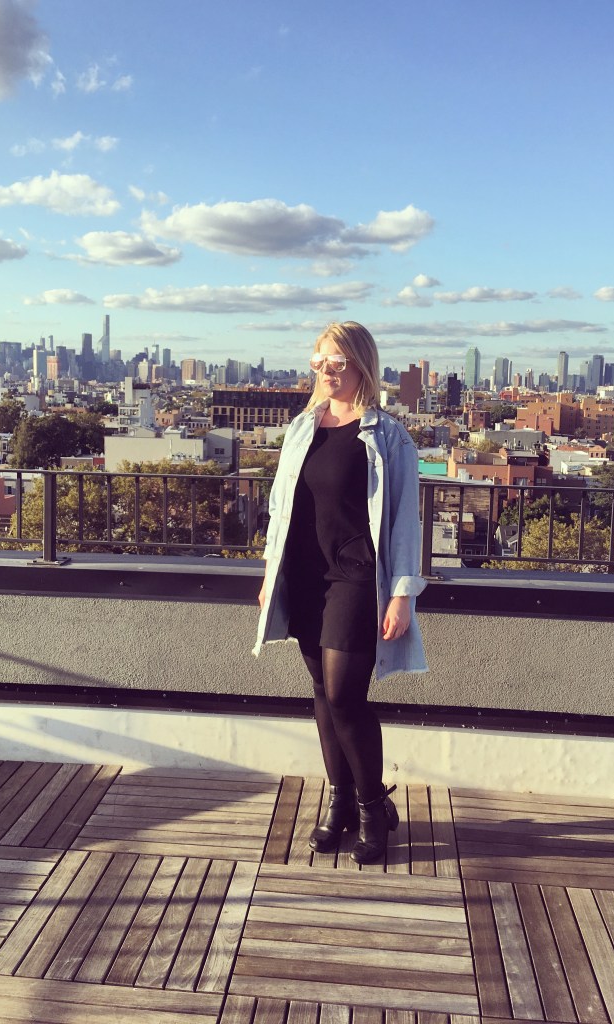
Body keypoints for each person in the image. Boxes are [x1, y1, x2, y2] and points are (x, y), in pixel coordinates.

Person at [253, 321, 427, 864]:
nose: (326, 372)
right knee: (321, 694)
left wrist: (402, 594)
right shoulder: (302, 427)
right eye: (318, 362)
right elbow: (281, 507)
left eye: (337, 363)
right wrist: (270, 573)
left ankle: (374, 808)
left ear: (361, 366)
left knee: (346, 695)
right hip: (306, 574)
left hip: (356, 575)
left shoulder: (388, 436)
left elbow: (405, 521)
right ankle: (341, 802)